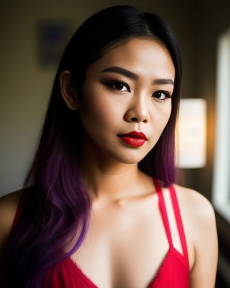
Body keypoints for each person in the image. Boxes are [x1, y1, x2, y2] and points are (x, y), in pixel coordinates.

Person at [0, 5, 218, 288]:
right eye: (119, 85)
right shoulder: (8, 220)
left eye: (161, 94)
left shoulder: (194, 215)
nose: (141, 113)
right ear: (71, 91)